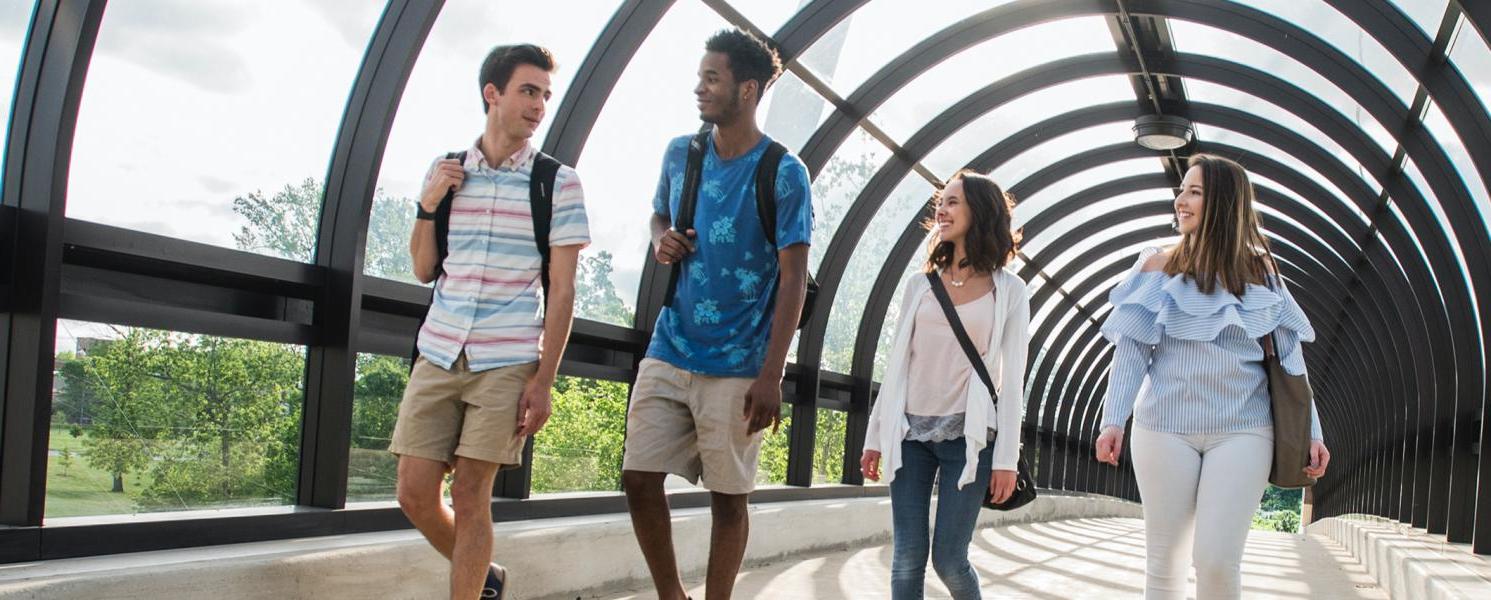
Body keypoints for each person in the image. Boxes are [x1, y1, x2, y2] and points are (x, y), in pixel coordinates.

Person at [388, 44, 589, 600]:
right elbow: (425, 268)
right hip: (439, 349)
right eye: (529, 91)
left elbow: (564, 291)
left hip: (507, 358)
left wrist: (544, 379)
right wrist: (428, 204)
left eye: (546, 95)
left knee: (474, 493)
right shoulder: (447, 170)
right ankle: (487, 578)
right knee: (413, 492)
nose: (539, 105)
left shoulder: (558, 184)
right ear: (492, 93)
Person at [621, 28, 812, 600]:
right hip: (671, 341)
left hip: (740, 362)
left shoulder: (783, 170)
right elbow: (659, 216)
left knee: (729, 498)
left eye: (712, 78)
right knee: (637, 476)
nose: (699, 88)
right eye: (700, 76)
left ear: (747, 89)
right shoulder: (683, 152)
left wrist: (771, 374)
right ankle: (672, 596)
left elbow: (795, 275)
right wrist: (663, 239)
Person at [1093, 154, 1330, 600]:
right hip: (1162, 428)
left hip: (1243, 429)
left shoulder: (1261, 272)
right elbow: (1131, 351)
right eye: (1182, 189)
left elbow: (1290, 359)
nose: (1180, 200)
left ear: (1224, 202)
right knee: (1164, 565)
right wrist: (1112, 420)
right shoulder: (1154, 266)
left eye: (1195, 191)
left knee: (1218, 561)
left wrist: (1311, 433)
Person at [859, 170, 1030, 600]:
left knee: (950, 559)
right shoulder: (920, 284)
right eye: (942, 200)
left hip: (968, 438)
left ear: (981, 210)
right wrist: (875, 436)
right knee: (907, 557)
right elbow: (897, 364)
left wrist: (1006, 458)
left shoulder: (1009, 291)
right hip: (910, 433)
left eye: (954, 201)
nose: (942, 209)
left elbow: (1013, 381)